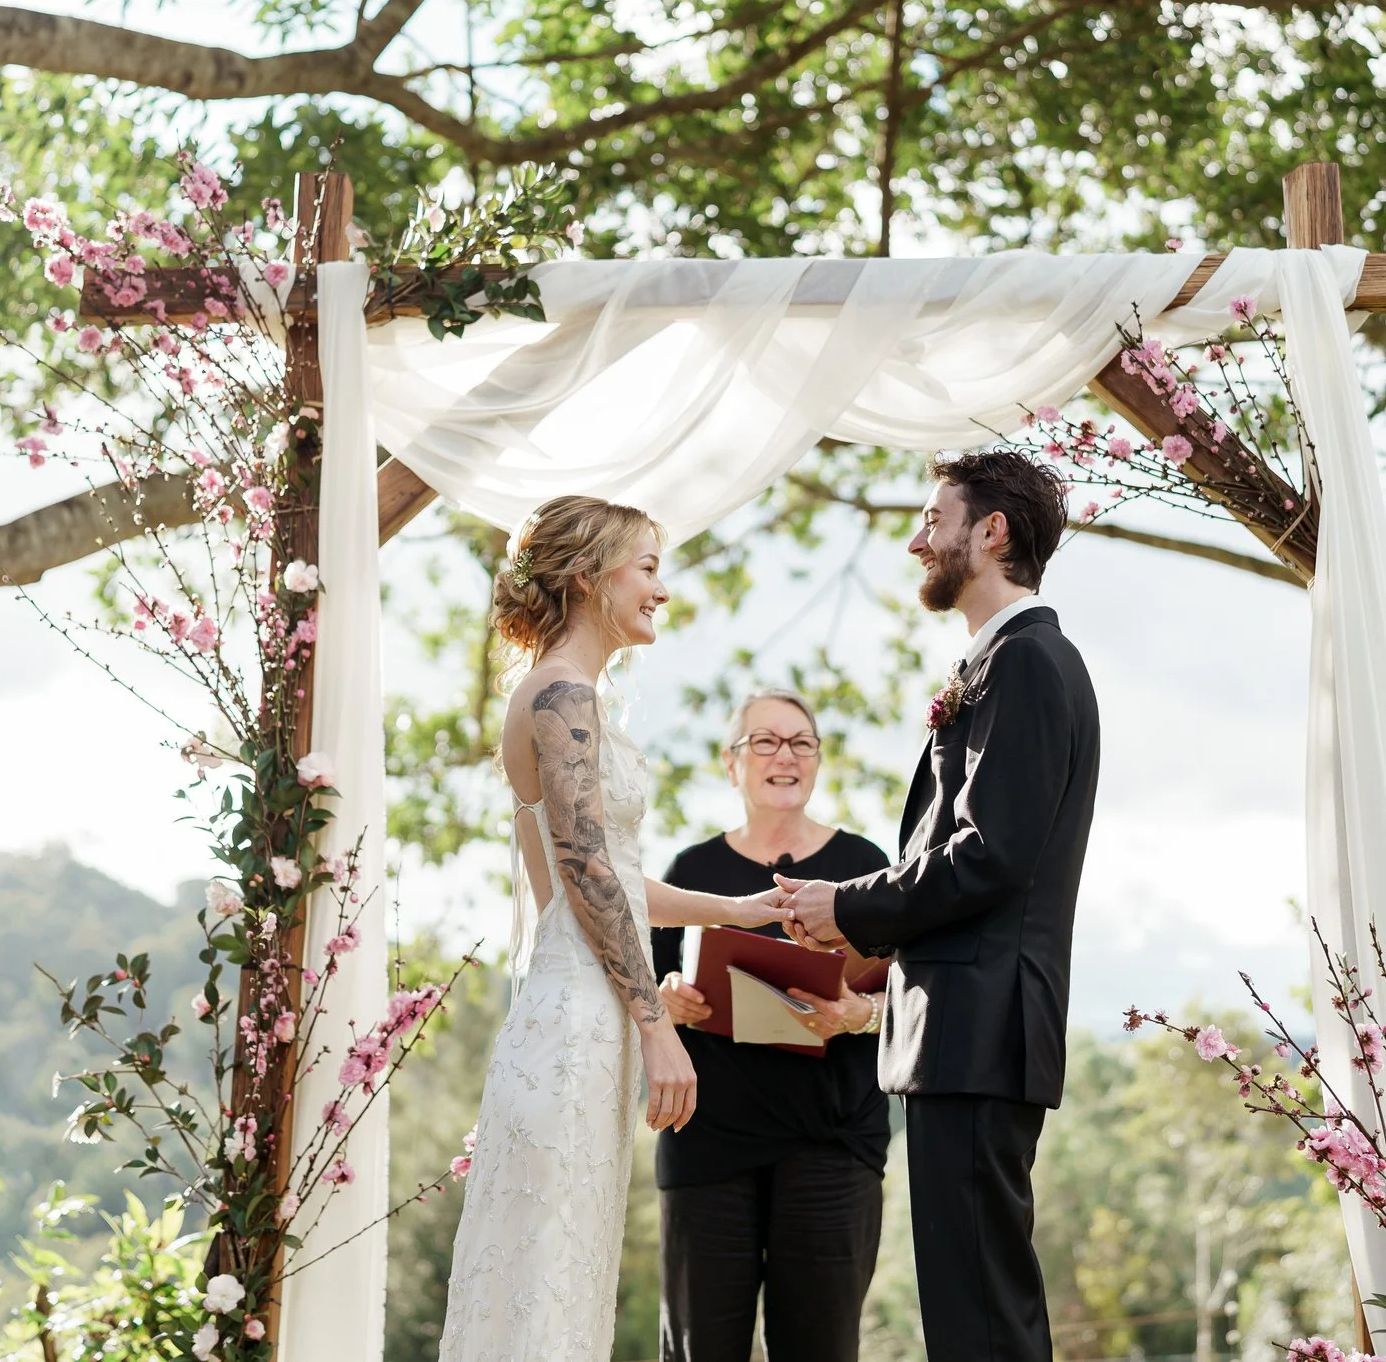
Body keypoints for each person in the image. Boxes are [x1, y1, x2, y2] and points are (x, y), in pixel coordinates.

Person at [438, 496, 785, 1362]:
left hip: (580, 1011)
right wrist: (656, 1023)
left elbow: (598, 880)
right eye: (648, 567)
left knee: (566, 1270)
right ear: (589, 578)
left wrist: (735, 911)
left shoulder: (566, 693)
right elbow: (588, 873)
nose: (661, 589)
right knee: (546, 1277)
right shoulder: (561, 695)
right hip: (580, 1023)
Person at [771, 450, 1101, 1362]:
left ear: (990, 532)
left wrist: (852, 903)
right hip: (960, 1031)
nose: (918, 539)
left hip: (979, 1028)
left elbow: (990, 855)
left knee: (983, 1314)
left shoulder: (1030, 664)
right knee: (971, 1309)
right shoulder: (1007, 661)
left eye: (934, 518)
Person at [650, 689, 893, 1362]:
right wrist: (667, 998)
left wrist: (859, 1013)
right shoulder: (689, 873)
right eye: (764, 740)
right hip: (706, 1148)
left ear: (817, 763)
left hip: (833, 1148)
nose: (784, 754)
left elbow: (919, 991)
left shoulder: (868, 867)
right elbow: (641, 990)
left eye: (801, 742)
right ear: (732, 765)